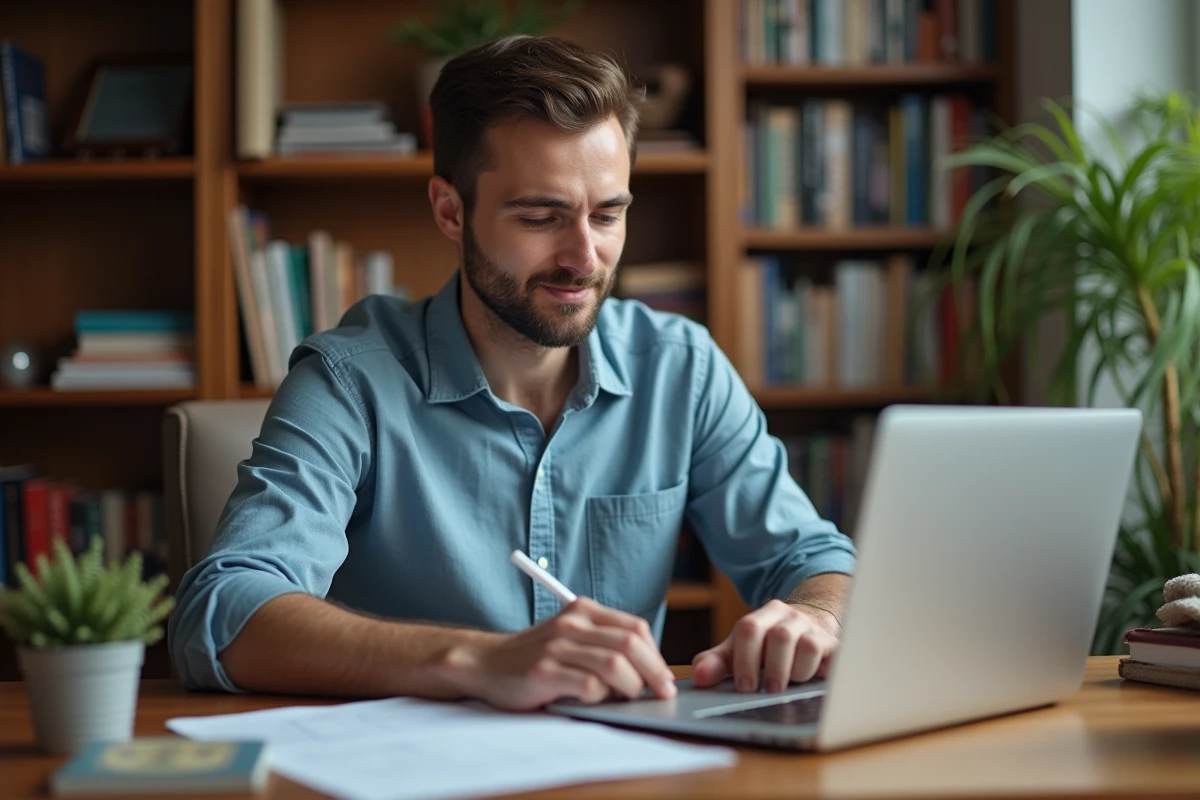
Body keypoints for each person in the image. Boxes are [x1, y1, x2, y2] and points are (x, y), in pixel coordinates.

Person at [168, 35, 856, 710]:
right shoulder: (349, 382)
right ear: (450, 210)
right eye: (540, 217)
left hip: (621, 761)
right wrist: (476, 660)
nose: (583, 258)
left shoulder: (682, 369)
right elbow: (224, 611)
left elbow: (817, 560)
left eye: (607, 215)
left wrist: (816, 617)